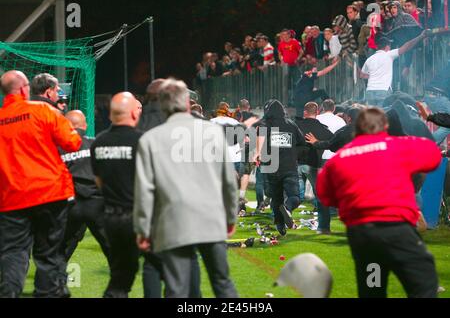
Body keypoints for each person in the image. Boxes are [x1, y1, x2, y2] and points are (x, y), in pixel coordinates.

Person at [317, 107, 441, 298]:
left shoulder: (339, 159)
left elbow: (325, 196)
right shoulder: (399, 146)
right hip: (397, 229)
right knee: (423, 283)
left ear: (356, 127)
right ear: (385, 126)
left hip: (364, 236)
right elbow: (433, 156)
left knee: (372, 289)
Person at [133, 78, 239, 298]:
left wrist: (143, 228)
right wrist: (230, 216)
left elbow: (145, 190)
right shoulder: (212, 132)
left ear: (162, 105)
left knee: (177, 289)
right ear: (188, 103)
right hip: (211, 217)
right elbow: (229, 181)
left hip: (173, 220)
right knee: (223, 283)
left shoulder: (150, 139)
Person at [0, 70, 82, 298]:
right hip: (49, 194)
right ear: (25, 89)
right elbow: (73, 142)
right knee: (48, 254)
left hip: (11, 198)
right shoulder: (44, 111)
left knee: (13, 254)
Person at [90, 92, 144, 298]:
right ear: (133, 114)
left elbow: (99, 182)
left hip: (111, 218)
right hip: (139, 217)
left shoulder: (99, 142)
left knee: (120, 275)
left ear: (111, 115)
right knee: (170, 269)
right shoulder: (142, 141)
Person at [58, 110, 112, 298]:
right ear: (85, 125)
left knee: (62, 248)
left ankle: (56, 288)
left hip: (70, 203)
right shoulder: (94, 143)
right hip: (96, 203)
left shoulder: (58, 146)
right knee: (111, 249)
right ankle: (117, 290)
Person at [253, 99, 305, 236]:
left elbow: (261, 135)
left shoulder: (265, 124)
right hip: (289, 166)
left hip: (271, 167)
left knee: (276, 198)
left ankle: (279, 224)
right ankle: (288, 208)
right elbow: (302, 142)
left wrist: (258, 153)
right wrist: (295, 155)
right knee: (295, 196)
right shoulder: (291, 125)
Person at [360, 30, 429, 107]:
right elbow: (407, 46)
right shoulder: (389, 55)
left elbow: (362, 75)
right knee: (383, 116)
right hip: (383, 90)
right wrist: (421, 36)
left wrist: (373, 76)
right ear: (387, 47)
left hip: (370, 91)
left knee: (371, 116)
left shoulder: (369, 59)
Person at [296, 102, 334, 234]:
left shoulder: (296, 126)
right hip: (313, 164)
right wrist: (318, 143)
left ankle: (283, 216)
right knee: (320, 196)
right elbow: (332, 142)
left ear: (304, 112)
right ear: (317, 112)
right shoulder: (323, 129)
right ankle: (323, 228)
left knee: (293, 194)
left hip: (296, 163)